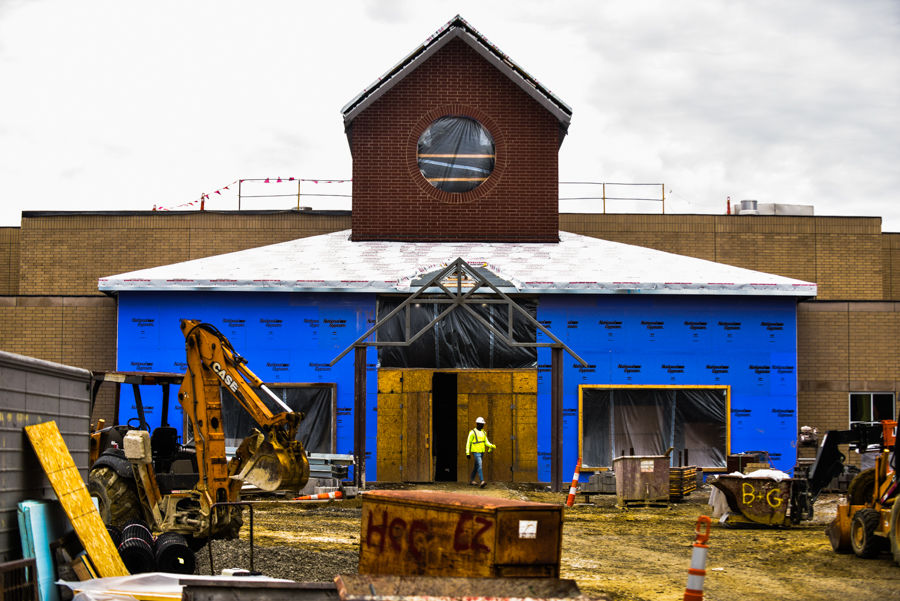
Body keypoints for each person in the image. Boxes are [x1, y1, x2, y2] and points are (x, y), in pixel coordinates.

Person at [465, 416, 496, 488]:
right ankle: (482, 481)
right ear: (477, 424)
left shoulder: (484, 432)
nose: (483, 425)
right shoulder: (472, 432)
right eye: (481, 424)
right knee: (480, 465)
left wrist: (491, 445)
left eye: (483, 424)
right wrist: (467, 452)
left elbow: (486, 442)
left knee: (476, 466)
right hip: (475, 452)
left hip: (482, 452)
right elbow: (468, 443)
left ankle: (471, 480)